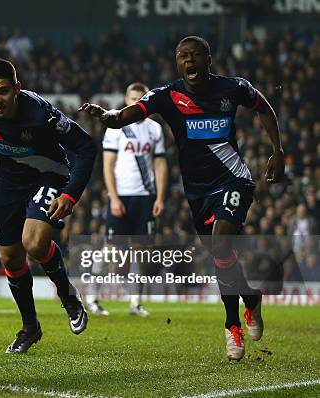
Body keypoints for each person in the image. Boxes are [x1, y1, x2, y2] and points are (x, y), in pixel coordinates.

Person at [80, 36, 284, 361]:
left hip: (235, 180)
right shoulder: (167, 95)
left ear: (208, 60)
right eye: (183, 56)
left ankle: (232, 326)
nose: (189, 61)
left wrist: (277, 150)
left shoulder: (232, 88)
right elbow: (125, 116)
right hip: (197, 193)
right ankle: (250, 297)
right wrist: (107, 115)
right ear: (178, 63)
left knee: (221, 246)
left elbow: (263, 106)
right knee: (222, 257)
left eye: (195, 55)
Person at [0, 58, 97, 353]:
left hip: (50, 175)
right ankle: (30, 328)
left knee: (33, 242)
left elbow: (87, 147)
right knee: (9, 258)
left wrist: (70, 195)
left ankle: (67, 295)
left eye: (3, 92)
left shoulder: (40, 113)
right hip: (9, 183)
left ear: (17, 88)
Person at [86, 82, 167, 317]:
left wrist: (160, 196)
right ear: (125, 100)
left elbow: (160, 164)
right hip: (121, 195)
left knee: (142, 252)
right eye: (132, 98)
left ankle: (135, 302)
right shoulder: (115, 127)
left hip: (145, 197)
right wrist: (113, 197)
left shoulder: (155, 129)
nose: (135, 102)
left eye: (140, 99)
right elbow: (108, 165)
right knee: (111, 250)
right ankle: (92, 297)